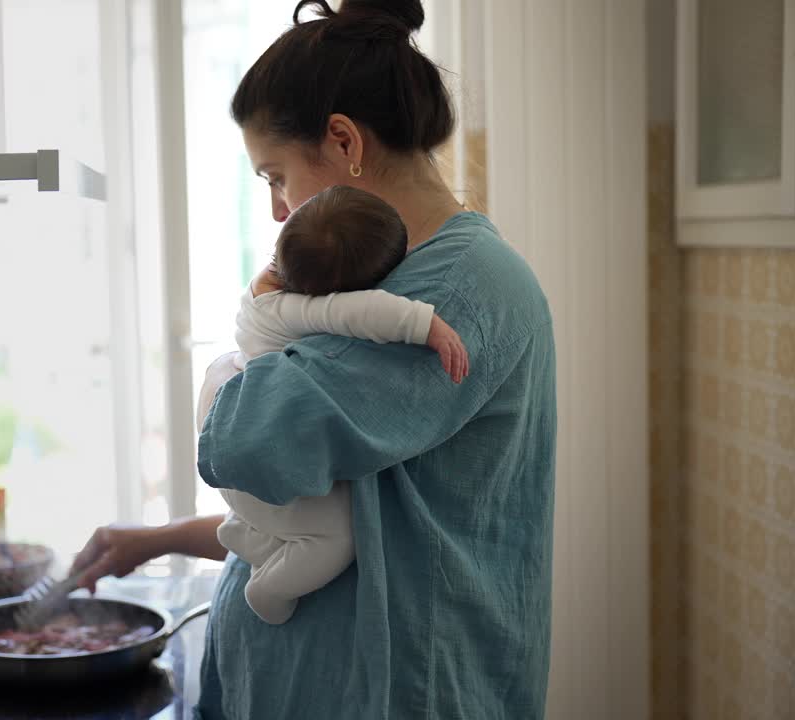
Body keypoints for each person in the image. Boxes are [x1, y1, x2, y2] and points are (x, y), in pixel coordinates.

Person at [71, 0, 556, 717]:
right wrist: (156, 539)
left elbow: (249, 446)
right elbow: (327, 511)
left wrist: (254, 332)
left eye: (274, 176)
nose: (277, 211)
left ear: (342, 141)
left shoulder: (457, 288)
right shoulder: (383, 284)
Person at [220, 184, 469, 625]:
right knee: (337, 537)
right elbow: (359, 312)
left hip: (235, 436)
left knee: (295, 519)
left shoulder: (267, 283)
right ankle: (268, 589)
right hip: (245, 455)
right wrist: (425, 323)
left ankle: (245, 531)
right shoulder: (291, 310)